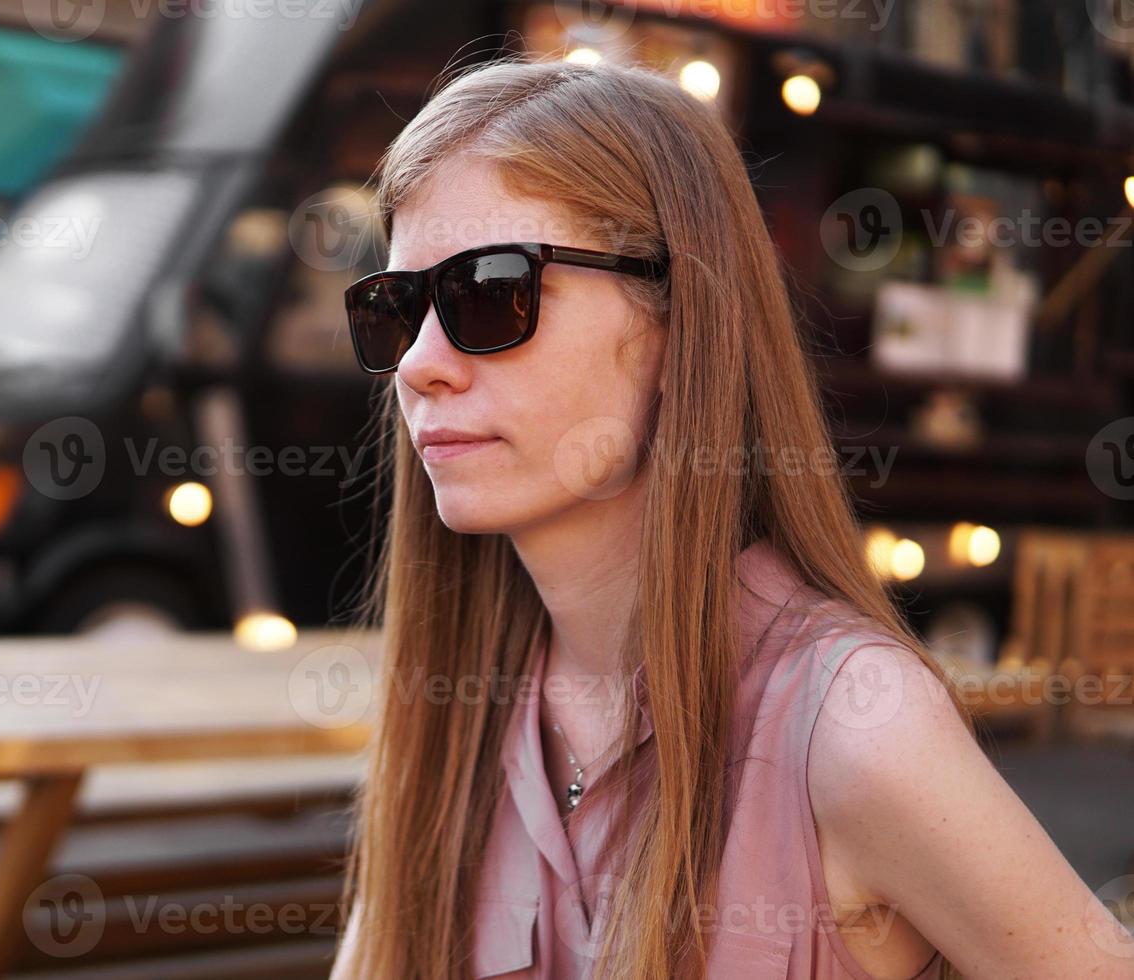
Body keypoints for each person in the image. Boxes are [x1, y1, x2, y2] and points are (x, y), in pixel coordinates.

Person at [329, 56, 1134, 979]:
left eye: (488, 291)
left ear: (679, 324)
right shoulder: (456, 717)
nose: (420, 364)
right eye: (395, 308)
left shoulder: (852, 731)